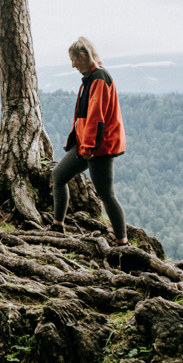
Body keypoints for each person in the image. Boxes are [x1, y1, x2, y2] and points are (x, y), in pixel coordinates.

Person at [51, 37, 128, 245]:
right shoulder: (90, 78)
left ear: (83, 56)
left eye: (73, 59)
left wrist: (88, 147)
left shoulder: (99, 79)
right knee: (58, 176)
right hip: (87, 144)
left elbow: (96, 118)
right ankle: (57, 227)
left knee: (105, 194)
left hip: (99, 147)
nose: (72, 64)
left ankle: (123, 243)